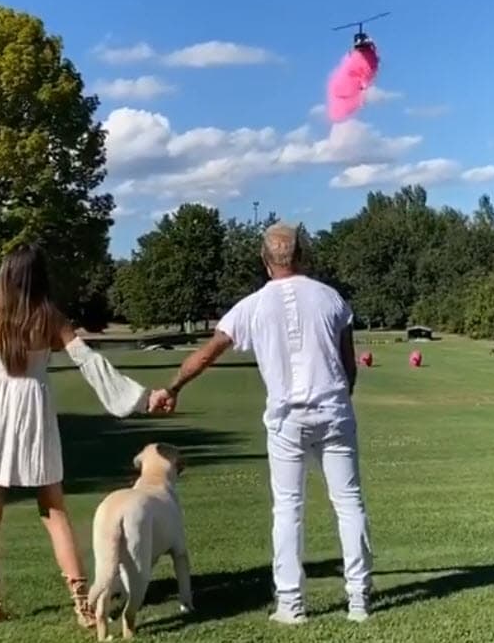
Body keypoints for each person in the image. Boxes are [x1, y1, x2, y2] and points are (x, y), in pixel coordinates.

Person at [153, 222, 373, 624]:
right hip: (334, 412)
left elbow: (206, 354)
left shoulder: (251, 305)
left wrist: (173, 387)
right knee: (349, 503)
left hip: (287, 420)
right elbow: (348, 364)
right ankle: (358, 600)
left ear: (264, 260)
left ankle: (291, 605)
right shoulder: (332, 298)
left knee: (288, 509)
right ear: (303, 255)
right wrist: (344, 398)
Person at [0, 243, 161, 628]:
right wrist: (140, 398)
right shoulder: (50, 318)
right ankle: (81, 603)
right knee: (53, 510)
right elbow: (91, 364)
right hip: (32, 416)